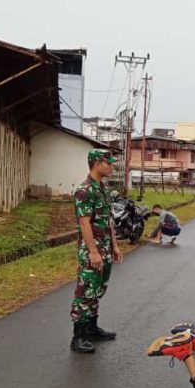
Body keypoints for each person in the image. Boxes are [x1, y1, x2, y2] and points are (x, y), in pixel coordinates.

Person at [70, 149, 124, 353]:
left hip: (105, 248)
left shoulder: (103, 189)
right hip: (91, 249)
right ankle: (78, 336)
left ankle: (92, 328)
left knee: (98, 289)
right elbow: (84, 223)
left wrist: (115, 246)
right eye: (108, 163)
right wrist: (93, 251)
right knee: (85, 291)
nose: (111, 166)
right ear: (96, 163)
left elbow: (109, 221)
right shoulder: (85, 190)